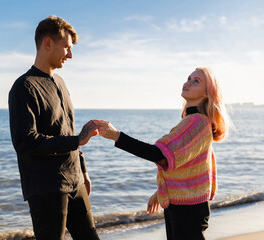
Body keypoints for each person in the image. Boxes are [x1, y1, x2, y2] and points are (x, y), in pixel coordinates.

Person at [95, 67, 230, 240]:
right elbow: (185, 166)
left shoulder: (197, 123)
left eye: (196, 81)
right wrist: (162, 191)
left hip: (189, 209)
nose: (188, 82)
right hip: (182, 204)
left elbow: (159, 154)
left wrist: (116, 136)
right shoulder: (191, 121)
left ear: (206, 93)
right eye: (188, 78)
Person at [8, 16, 100, 240]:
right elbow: (25, 141)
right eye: (66, 48)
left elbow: (67, 129)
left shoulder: (60, 82)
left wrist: (84, 171)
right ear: (47, 43)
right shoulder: (24, 87)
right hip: (46, 187)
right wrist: (77, 140)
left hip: (75, 181)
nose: (70, 55)